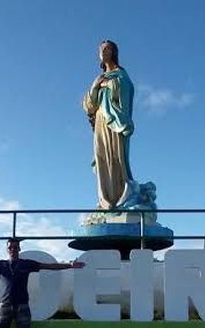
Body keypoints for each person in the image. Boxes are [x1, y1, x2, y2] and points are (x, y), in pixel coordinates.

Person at [83, 39, 136, 210]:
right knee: (102, 157)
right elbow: (88, 105)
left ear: (113, 52)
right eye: (101, 50)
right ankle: (105, 200)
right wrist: (95, 86)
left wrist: (109, 84)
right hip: (100, 121)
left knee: (115, 156)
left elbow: (125, 91)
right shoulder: (98, 78)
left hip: (115, 121)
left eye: (107, 49)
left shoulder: (121, 74)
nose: (104, 52)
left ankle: (120, 196)